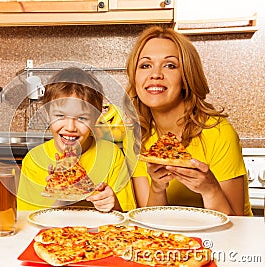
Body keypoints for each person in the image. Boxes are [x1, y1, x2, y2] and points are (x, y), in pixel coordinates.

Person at [126, 26, 252, 216]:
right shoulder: (137, 136)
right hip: (171, 242)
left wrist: (210, 189)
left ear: (186, 77)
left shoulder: (218, 133)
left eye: (170, 65)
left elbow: (236, 224)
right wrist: (158, 188)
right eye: (145, 65)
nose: (155, 74)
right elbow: (152, 221)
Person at [17, 67, 136, 212]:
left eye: (82, 118)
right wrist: (61, 194)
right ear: (48, 115)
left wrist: (112, 204)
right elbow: (29, 222)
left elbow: (125, 219)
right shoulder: (34, 160)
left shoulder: (112, 155)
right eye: (60, 116)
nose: (70, 127)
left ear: (95, 119)